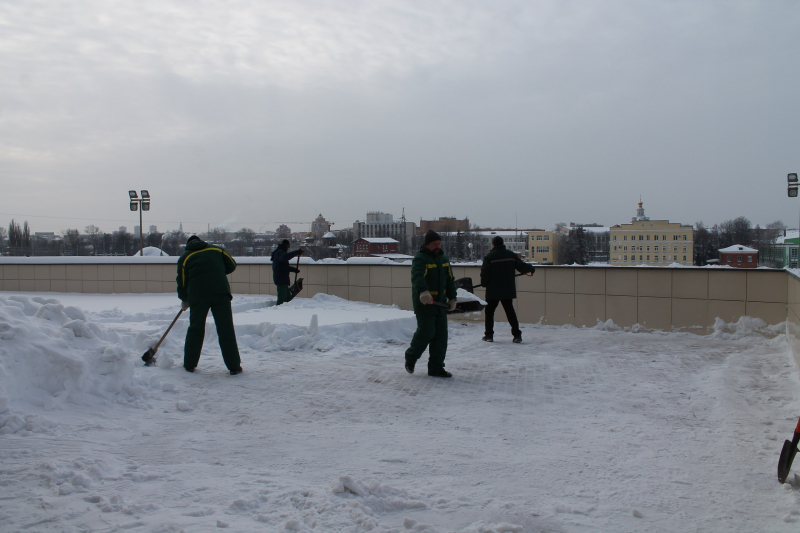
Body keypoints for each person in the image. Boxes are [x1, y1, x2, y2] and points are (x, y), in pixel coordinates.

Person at [176, 235, 242, 374]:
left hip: (198, 295)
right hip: (221, 292)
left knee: (196, 328)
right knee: (226, 329)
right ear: (201, 241)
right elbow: (232, 264)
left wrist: (184, 299)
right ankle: (234, 366)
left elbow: (182, 282)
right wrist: (217, 271)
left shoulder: (185, 257)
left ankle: (189, 364)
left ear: (188, 244)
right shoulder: (217, 250)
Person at [404, 230, 458, 378]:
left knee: (441, 337)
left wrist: (452, 298)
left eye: (439, 243)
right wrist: (423, 292)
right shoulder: (420, 259)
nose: (438, 246)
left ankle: (436, 368)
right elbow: (417, 277)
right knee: (426, 332)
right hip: (425, 303)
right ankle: (411, 357)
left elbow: (450, 280)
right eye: (435, 244)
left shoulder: (444, 259)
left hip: (440, 305)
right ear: (427, 244)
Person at [480, 235, 535, 343]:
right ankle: (517, 335)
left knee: (489, 312)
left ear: (493, 244)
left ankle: (489, 335)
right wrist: (531, 268)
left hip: (493, 290)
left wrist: (484, 284)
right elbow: (522, 266)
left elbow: (485, 274)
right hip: (507, 289)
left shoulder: (489, 257)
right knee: (510, 311)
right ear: (502, 243)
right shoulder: (511, 255)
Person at [271, 239, 303, 305]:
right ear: (286, 246)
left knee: (288, 299)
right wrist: (297, 252)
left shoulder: (280, 253)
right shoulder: (279, 253)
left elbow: (284, 267)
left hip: (284, 281)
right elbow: (285, 257)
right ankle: (277, 313)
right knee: (282, 301)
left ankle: (287, 313)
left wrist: (294, 270)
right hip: (281, 280)